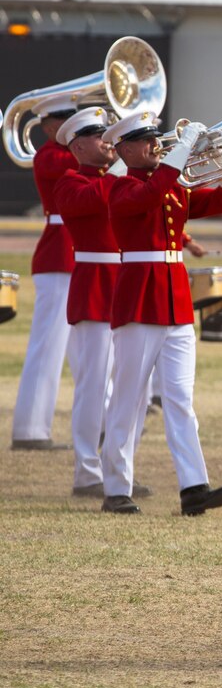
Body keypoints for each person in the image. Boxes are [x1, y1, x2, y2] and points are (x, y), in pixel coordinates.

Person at [99, 111, 222, 514]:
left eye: (154, 139)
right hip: (140, 297)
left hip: (176, 300)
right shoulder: (120, 188)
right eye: (145, 141)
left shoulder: (173, 184)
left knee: (180, 398)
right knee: (129, 399)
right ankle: (115, 488)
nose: (154, 145)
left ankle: (194, 487)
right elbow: (149, 195)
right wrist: (181, 151)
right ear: (125, 149)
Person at [53, 107, 153, 500]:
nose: (110, 139)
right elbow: (94, 199)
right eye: (100, 135)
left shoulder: (125, 180)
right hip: (95, 285)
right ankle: (86, 471)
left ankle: (120, 467)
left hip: (128, 283)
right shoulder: (70, 181)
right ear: (78, 145)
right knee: (93, 386)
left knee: (135, 387)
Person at [10, 95, 78, 451]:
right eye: (66, 122)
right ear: (49, 125)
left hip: (80, 255)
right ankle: (31, 430)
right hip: (58, 255)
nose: (73, 128)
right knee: (48, 345)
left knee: (91, 345)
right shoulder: (50, 156)